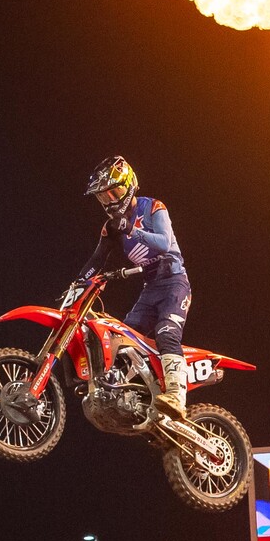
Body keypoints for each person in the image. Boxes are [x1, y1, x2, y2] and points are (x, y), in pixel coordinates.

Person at [78, 155, 194, 416]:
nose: (109, 201)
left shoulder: (153, 207)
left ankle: (176, 396)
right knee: (120, 341)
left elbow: (164, 243)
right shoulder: (111, 228)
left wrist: (131, 228)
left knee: (166, 331)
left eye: (113, 192)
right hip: (150, 288)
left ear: (129, 184)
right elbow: (96, 260)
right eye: (103, 197)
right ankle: (133, 395)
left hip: (174, 283)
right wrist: (77, 284)